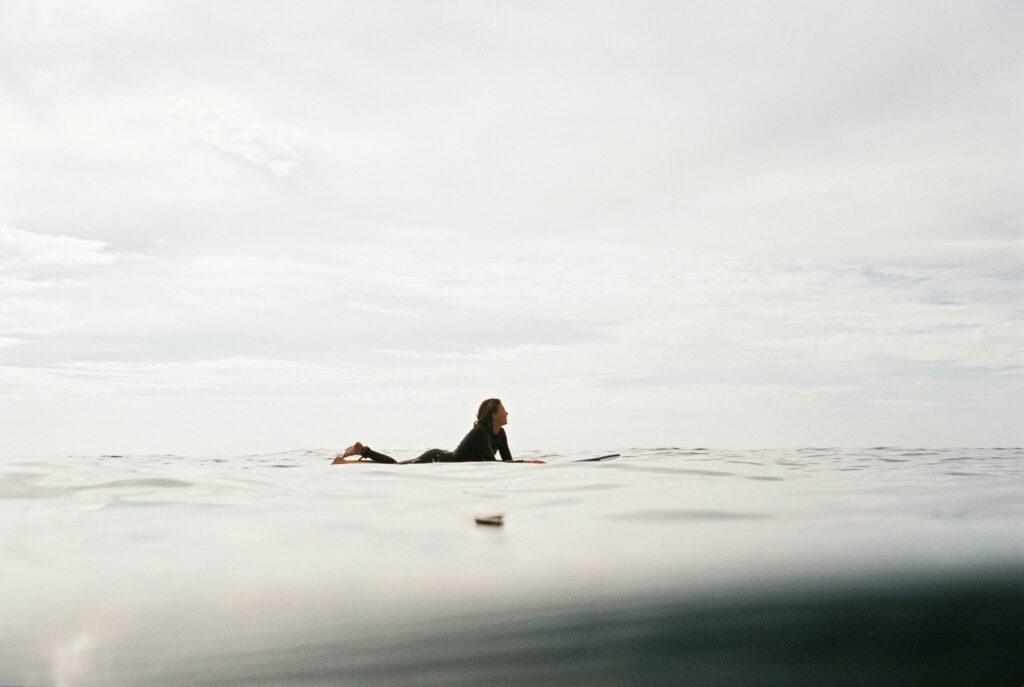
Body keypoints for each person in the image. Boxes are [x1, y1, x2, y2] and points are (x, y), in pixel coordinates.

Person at [332, 398, 543, 464]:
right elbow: (491, 463)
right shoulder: (480, 432)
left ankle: (360, 452)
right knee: (396, 468)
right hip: (437, 460)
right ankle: (363, 450)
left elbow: (507, 462)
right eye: (503, 410)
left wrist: (524, 465)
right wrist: (528, 463)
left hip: (443, 459)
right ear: (494, 415)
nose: (508, 413)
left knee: (398, 467)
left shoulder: (501, 434)